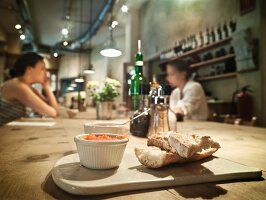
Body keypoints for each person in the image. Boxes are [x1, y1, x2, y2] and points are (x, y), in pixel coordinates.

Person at [0, 52, 59, 126]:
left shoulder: (29, 87)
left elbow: (55, 110)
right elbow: (52, 113)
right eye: (42, 69)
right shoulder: (18, 86)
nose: (45, 73)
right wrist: (47, 87)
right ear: (29, 69)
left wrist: (46, 87)